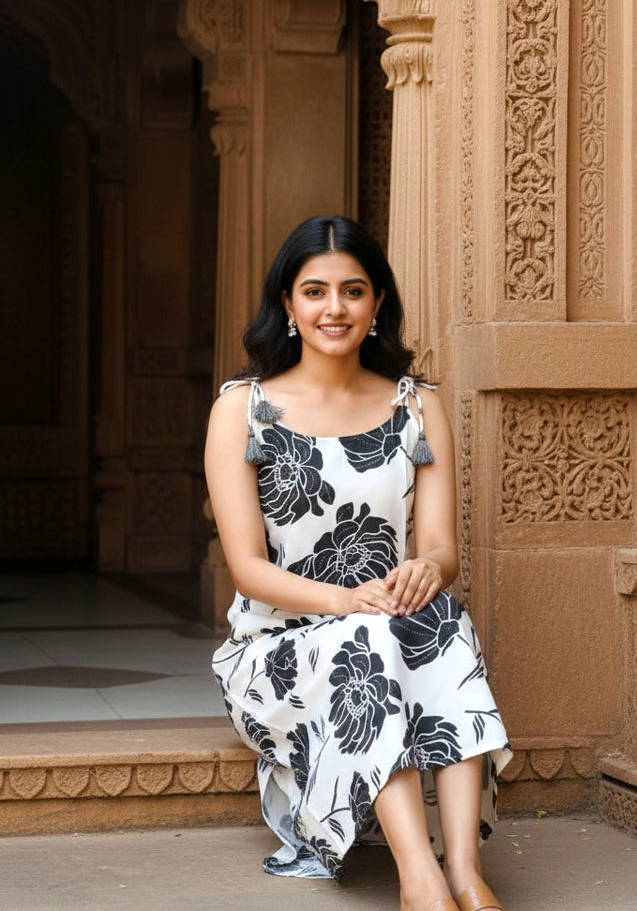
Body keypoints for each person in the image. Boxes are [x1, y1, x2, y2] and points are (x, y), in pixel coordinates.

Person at [205, 215, 513, 911]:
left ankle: (465, 870)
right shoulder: (242, 410)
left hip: (393, 625)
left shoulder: (417, 406)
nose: (334, 308)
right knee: (370, 638)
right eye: (315, 291)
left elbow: (440, 548)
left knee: (443, 620)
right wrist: (351, 603)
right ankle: (419, 880)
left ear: (377, 304)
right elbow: (249, 569)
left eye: (353, 290)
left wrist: (426, 572)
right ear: (287, 304)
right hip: (276, 650)